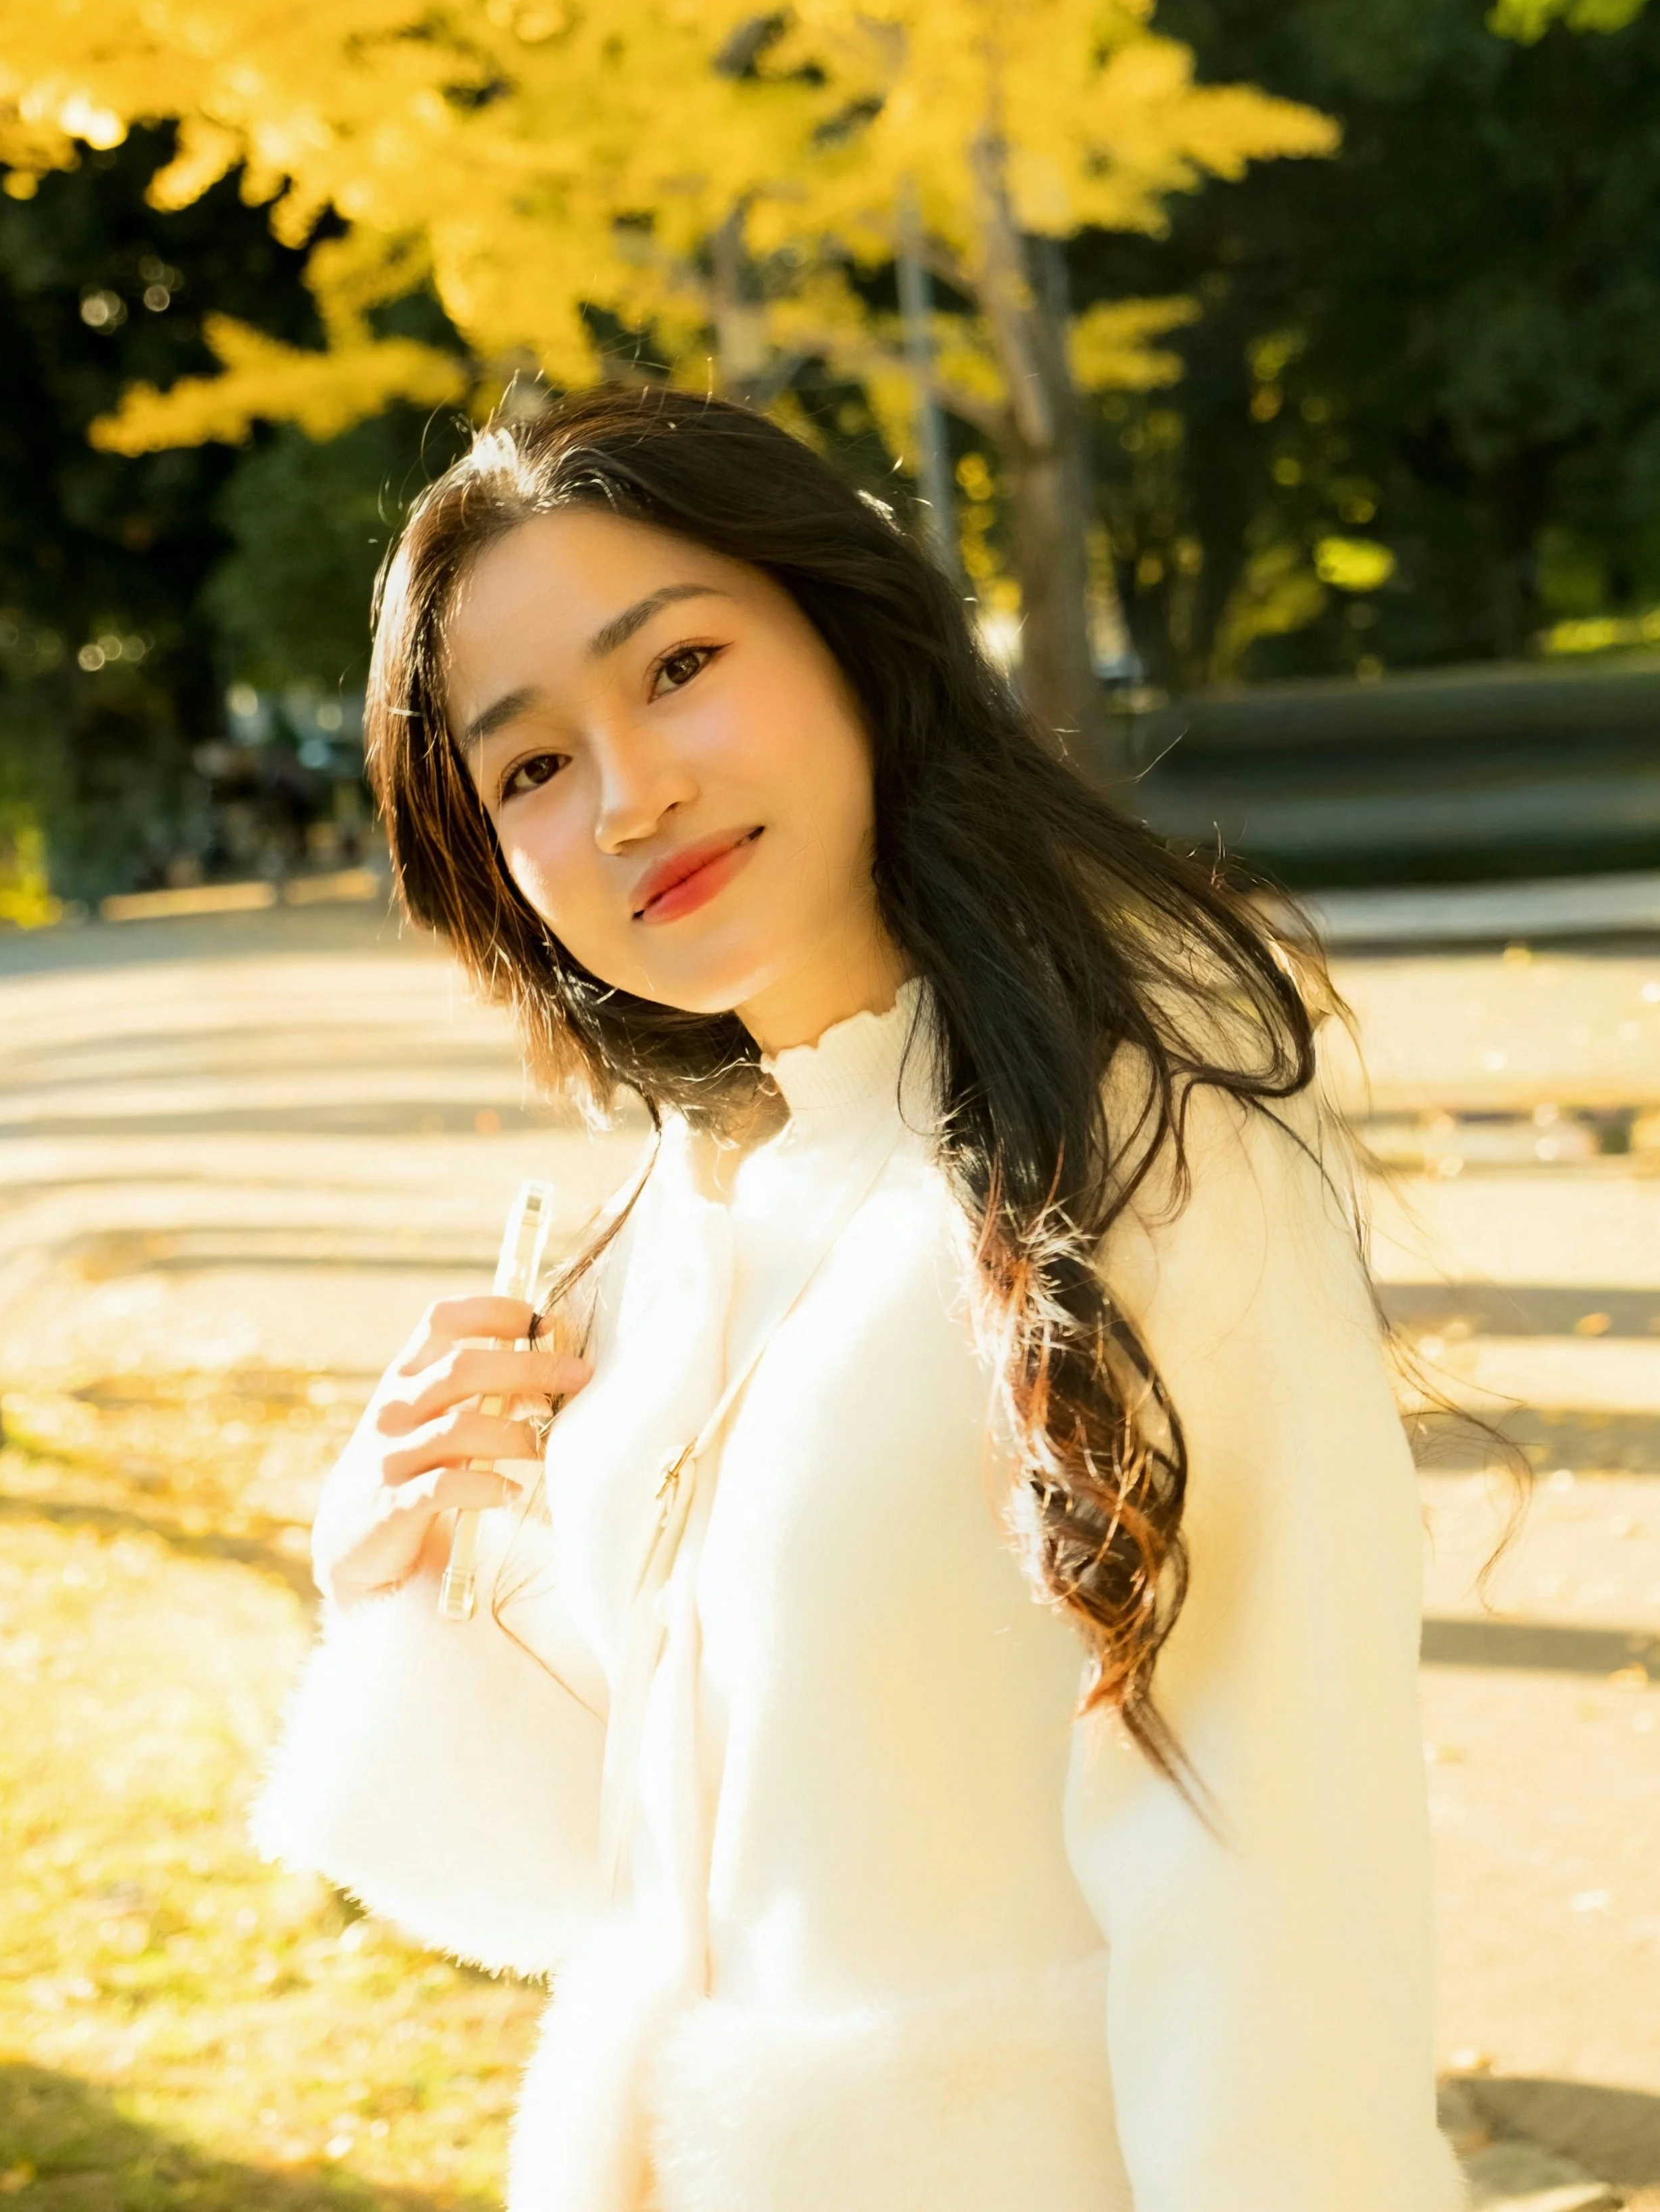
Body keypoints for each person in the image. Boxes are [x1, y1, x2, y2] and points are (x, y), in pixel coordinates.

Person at [255, 386, 1456, 2212]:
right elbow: (647, 1853)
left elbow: (1278, 1843)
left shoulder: (1137, 1137)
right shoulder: (679, 1211)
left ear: (845, 629)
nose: (629, 790)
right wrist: (395, 1571)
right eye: (528, 766)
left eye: (673, 666)